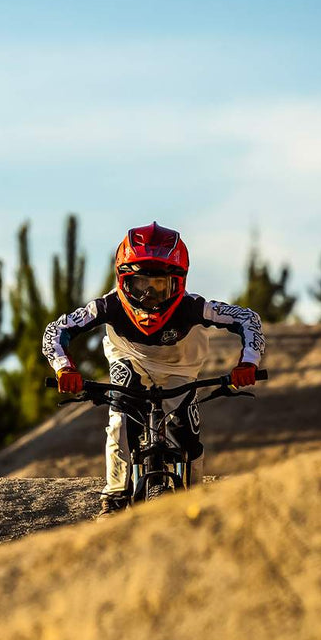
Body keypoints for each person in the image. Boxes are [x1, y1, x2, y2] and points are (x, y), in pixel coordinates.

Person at [42, 221, 265, 518]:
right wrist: (64, 368)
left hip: (181, 367)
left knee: (187, 434)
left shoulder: (194, 307)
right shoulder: (106, 306)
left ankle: (195, 496)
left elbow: (247, 318)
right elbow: (56, 330)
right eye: (140, 286)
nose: (148, 297)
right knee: (121, 418)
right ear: (123, 281)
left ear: (178, 283)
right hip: (128, 359)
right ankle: (114, 496)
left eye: (159, 287)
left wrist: (248, 362)